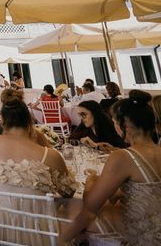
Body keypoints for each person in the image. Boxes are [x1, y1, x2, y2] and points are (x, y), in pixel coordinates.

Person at [61, 96, 161, 244]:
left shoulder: (124, 157)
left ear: (124, 125)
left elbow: (89, 209)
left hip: (146, 236)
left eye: (114, 122)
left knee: (68, 214)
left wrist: (91, 181)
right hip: (154, 222)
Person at [0, 89, 76, 197]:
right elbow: (69, 193)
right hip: (38, 213)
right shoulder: (51, 156)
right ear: (29, 119)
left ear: (2, 120)